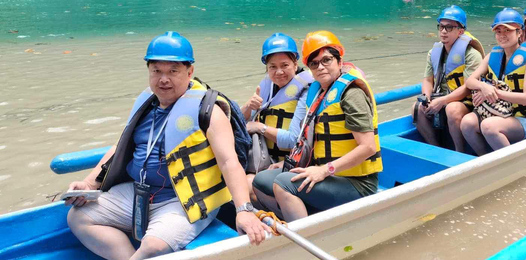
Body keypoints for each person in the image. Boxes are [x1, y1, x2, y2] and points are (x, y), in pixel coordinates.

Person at [65, 32, 270, 259]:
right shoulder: (147, 103)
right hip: (139, 192)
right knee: (79, 216)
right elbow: (119, 147)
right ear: (149, 72)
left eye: (173, 71)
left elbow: (229, 161)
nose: (164, 79)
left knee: (153, 247)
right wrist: (88, 184)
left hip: (183, 201)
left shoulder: (207, 110)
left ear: (190, 71)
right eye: (157, 71)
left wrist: (244, 210)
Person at [251, 31, 381, 222]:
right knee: (261, 180)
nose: (320, 67)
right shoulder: (318, 91)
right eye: (314, 63)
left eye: (326, 60)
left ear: (339, 60)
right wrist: (291, 163)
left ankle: (305, 234)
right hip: (326, 172)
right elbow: (311, 140)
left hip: (357, 183)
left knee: (283, 184)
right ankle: (301, 216)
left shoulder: (351, 93)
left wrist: (324, 170)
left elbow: (368, 147)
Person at [460, 9, 526, 154]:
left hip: (522, 118)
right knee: (467, 123)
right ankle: (485, 159)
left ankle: (511, 163)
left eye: (507, 31)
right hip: (496, 112)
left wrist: (493, 93)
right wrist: (483, 87)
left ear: (519, 32)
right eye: (498, 31)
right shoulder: (492, 56)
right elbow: (470, 81)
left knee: (488, 126)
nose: (502, 35)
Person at [241, 33, 313, 197]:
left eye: (285, 65)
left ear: (295, 64)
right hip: (265, 158)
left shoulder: (306, 90)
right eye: (273, 67)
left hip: (292, 161)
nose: (279, 72)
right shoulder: (267, 85)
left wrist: (260, 127)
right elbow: (241, 123)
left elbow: (294, 140)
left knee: (247, 186)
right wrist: (247, 107)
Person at [413, 5, 484, 152]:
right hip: (443, 97)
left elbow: (468, 87)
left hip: (467, 101)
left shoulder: (471, 54)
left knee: (452, 109)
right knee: (418, 108)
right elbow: (427, 80)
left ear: (460, 31)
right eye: (441, 27)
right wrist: (426, 97)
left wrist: (443, 101)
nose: (444, 31)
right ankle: (435, 148)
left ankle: (459, 151)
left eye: (449, 27)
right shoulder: (434, 52)